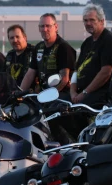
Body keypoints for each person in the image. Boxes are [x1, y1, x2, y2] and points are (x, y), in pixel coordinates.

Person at [18, 13, 78, 144]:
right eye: (42, 26)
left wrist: (48, 96)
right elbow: (30, 73)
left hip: (61, 94)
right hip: (44, 94)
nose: (45, 29)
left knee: (51, 117)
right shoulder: (38, 48)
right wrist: (19, 93)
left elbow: (64, 79)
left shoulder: (63, 47)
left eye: (48, 26)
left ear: (56, 27)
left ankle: (65, 144)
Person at [70, 4, 112, 134]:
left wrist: (84, 93)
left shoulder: (109, 40)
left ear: (102, 21)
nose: (88, 23)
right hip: (81, 92)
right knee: (58, 108)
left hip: (101, 93)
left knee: (78, 111)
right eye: (86, 20)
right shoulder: (87, 43)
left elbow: (106, 72)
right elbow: (76, 70)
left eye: (92, 20)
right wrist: (73, 92)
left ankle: (87, 142)